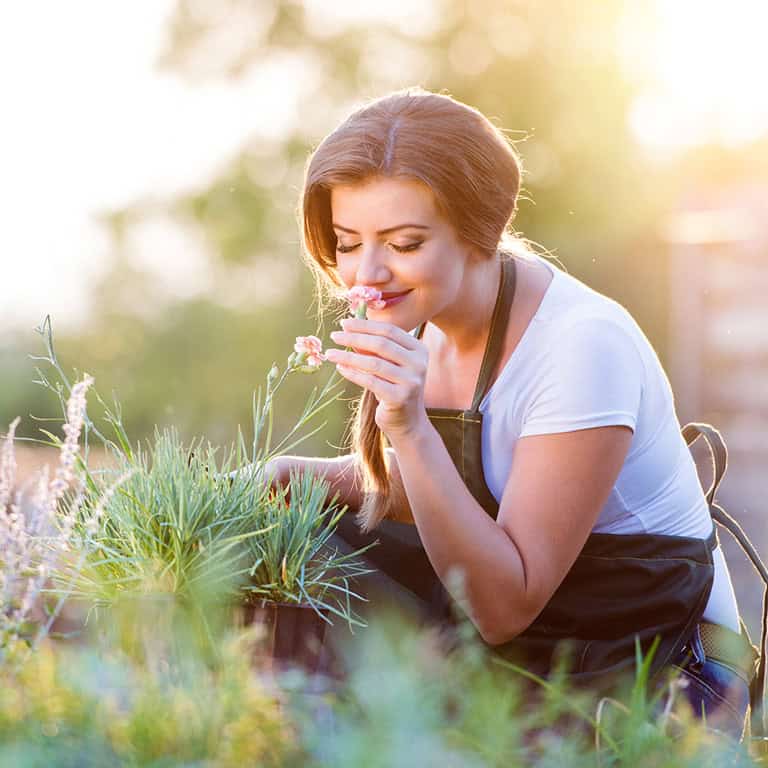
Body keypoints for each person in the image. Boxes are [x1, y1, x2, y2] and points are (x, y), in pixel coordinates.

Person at [264, 86, 760, 740]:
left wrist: (406, 424)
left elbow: (504, 608)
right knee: (282, 552)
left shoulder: (581, 346)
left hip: (656, 676)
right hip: (543, 648)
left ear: (480, 230)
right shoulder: (428, 316)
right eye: (347, 242)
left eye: (404, 242)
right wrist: (282, 477)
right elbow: (439, 491)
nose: (367, 273)